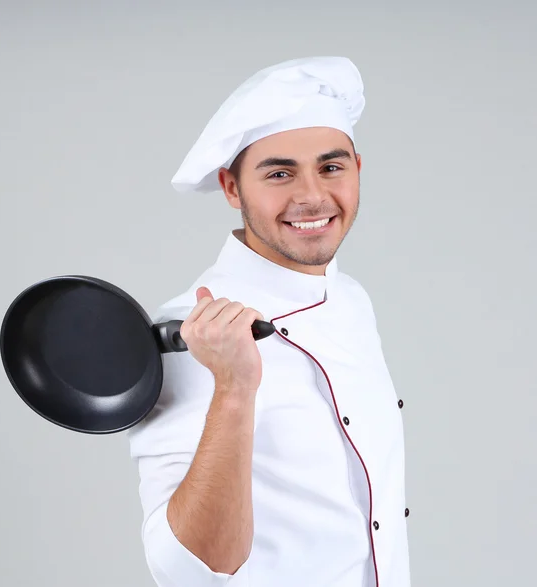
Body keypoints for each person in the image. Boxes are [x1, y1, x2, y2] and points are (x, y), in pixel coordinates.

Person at [127, 56, 411, 587]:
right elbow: (184, 571)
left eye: (331, 167)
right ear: (232, 189)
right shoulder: (191, 334)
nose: (311, 196)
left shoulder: (350, 298)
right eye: (279, 173)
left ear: (356, 169)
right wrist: (234, 387)